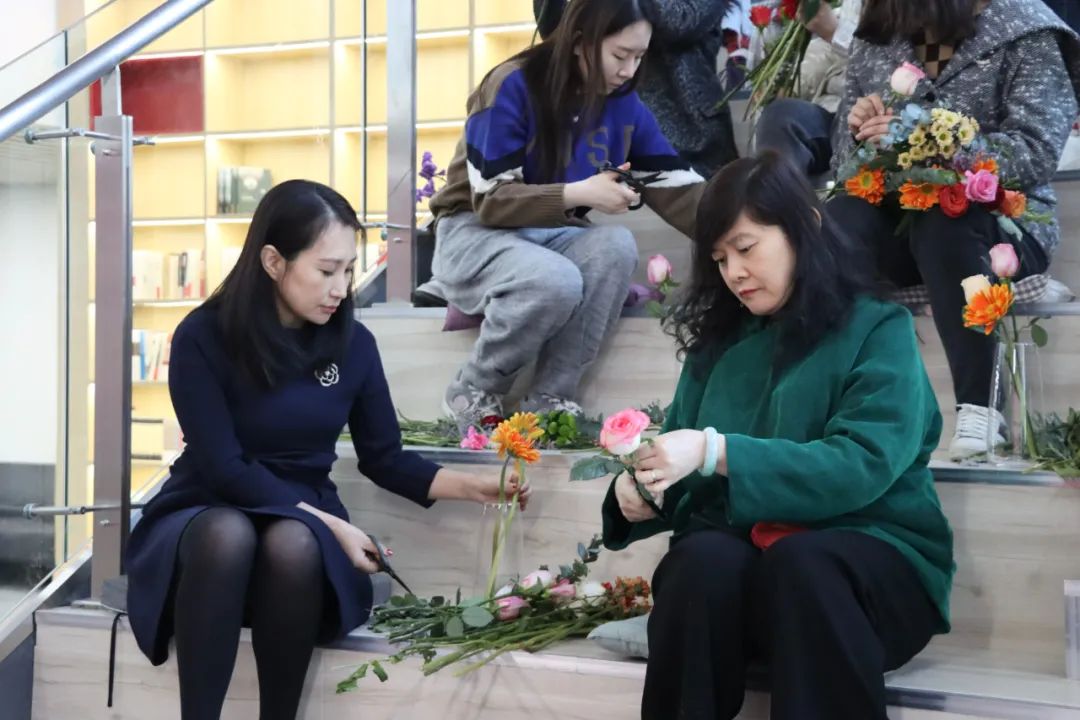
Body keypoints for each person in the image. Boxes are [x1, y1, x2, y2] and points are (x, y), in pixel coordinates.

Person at [125, 180, 530, 720]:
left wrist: (474, 485)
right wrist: (332, 525)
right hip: (206, 507)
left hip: (299, 521)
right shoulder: (203, 336)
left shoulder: (354, 344)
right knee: (229, 532)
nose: (341, 288)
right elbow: (224, 467)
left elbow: (383, 456)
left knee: (293, 541)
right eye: (326, 270)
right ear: (273, 261)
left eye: (348, 270)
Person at [602, 152, 954, 720]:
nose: (734, 272)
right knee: (699, 561)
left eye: (746, 248)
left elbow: (861, 465)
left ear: (804, 227)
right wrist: (641, 491)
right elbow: (688, 474)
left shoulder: (878, 328)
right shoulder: (718, 345)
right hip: (754, 589)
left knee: (803, 562)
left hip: (867, 576)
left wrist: (717, 451)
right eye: (720, 259)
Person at [429, 0, 705, 432]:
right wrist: (579, 193)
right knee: (555, 279)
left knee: (617, 245)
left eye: (639, 57)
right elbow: (491, 200)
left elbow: (679, 189)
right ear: (580, 42)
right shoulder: (511, 85)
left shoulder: (624, 104)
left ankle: (552, 399)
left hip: (550, 237)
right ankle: (474, 388)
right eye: (620, 55)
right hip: (474, 231)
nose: (629, 71)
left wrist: (756, 224)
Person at [826, 0, 1080, 459]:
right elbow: (844, 164)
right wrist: (858, 129)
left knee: (945, 216)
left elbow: (1036, 150)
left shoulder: (1025, 28)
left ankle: (981, 409)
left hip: (1001, 224)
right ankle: (850, 407)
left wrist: (928, 141)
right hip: (900, 222)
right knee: (840, 218)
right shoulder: (879, 36)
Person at [535, 0, 741, 177]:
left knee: (698, 202)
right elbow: (556, 30)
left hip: (691, 132)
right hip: (613, 131)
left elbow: (680, 21)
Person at [754, 0, 863, 180]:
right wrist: (787, 82)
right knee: (781, 114)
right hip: (832, 111)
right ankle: (776, 194)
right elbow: (827, 53)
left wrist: (836, 32)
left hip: (874, 115)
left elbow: (890, 60)